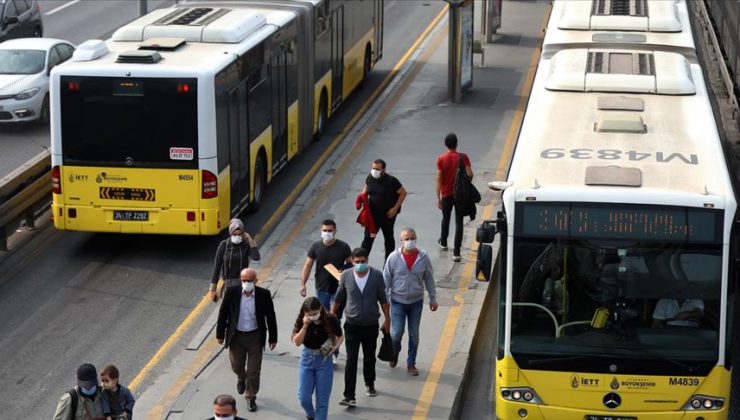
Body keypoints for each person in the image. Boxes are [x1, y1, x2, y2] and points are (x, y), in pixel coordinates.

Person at [332, 248, 391, 407]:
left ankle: (369, 383)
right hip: (352, 325)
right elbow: (339, 297)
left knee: (369, 356)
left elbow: (383, 299)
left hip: (371, 325)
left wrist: (387, 319)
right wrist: (332, 316)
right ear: (352, 261)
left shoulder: (377, 276)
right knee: (351, 359)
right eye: (356, 262)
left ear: (367, 260)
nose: (359, 265)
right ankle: (349, 395)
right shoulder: (346, 276)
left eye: (362, 262)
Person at [216, 268, 278, 412]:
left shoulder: (264, 295)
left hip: (255, 337)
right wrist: (219, 334)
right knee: (236, 366)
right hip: (236, 337)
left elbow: (271, 316)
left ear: (255, 281)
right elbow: (223, 313)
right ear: (240, 280)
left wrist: (273, 338)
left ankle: (250, 397)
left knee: (254, 371)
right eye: (244, 280)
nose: (247, 283)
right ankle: (241, 377)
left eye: (250, 281)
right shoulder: (231, 292)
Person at [383, 228, 438, 376]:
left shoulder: (423, 257)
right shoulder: (393, 257)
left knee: (414, 334)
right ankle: (394, 353)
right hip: (397, 302)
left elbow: (429, 278)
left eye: (412, 238)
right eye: (406, 239)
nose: (410, 241)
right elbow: (386, 279)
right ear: (401, 241)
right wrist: (385, 301)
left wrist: (433, 298)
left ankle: (411, 363)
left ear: (416, 238)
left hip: (416, 302)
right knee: (396, 333)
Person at [292, 297, 344, 420]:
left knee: (322, 401)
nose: (312, 316)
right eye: (309, 314)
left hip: (324, 360)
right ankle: (311, 415)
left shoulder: (330, 319)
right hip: (307, 359)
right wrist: (305, 326)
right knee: (304, 398)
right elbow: (297, 342)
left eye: (314, 314)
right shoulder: (302, 320)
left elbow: (340, 336)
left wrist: (335, 347)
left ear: (320, 308)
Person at [358, 159, 407, 260]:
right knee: (368, 239)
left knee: (388, 239)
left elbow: (403, 193)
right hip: (373, 217)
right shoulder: (370, 178)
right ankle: (361, 261)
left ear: (383, 170)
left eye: (377, 169)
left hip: (387, 216)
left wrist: (395, 208)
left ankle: (389, 264)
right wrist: (361, 197)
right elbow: (366, 190)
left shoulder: (391, 181)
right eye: (373, 168)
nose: (374, 171)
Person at [435, 132, 473, 261]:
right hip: (460, 196)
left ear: (446, 144)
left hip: (446, 194)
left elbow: (439, 178)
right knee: (459, 222)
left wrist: (438, 197)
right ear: (456, 144)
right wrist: (464, 185)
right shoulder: (463, 157)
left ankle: (444, 241)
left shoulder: (441, 159)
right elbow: (470, 174)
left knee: (445, 218)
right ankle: (456, 252)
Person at [210, 218, 260, 302]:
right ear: (230, 233)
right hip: (228, 287)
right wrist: (213, 289)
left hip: (243, 285)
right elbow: (217, 267)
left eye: (239, 234)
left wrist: (250, 239)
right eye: (234, 234)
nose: (237, 236)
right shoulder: (224, 245)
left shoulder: (245, 245)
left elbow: (256, 257)